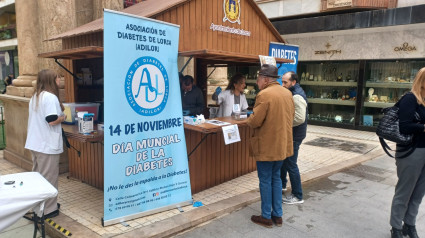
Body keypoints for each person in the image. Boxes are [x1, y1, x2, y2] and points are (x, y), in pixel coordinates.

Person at [246, 64, 294, 228]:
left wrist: (248, 118)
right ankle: (277, 215)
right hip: (281, 145)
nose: (257, 82)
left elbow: (255, 121)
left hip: (267, 146)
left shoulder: (264, 94)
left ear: (265, 80)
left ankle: (266, 216)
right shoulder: (287, 93)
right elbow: (291, 116)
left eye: (258, 79)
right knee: (276, 179)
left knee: (265, 180)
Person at [24, 69, 66, 218]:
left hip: (35, 144)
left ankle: (39, 207)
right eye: (57, 78)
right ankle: (48, 210)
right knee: (49, 178)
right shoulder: (50, 97)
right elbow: (52, 120)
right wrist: (63, 117)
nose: (59, 81)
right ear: (51, 80)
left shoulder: (36, 96)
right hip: (46, 145)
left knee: (39, 177)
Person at [390, 67, 425, 238]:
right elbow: (404, 126)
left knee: (419, 192)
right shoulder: (410, 99)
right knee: (404, 191)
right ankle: (396, 227)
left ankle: (409, 225)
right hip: (412, 151)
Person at [280, 71, 308, 205]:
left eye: (285, 82)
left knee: (291, 164)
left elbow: (299, 118)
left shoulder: (297, 96)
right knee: (285, 161)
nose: (283, 84)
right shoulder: (293, 92)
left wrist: (284, 125)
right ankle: (282, 185)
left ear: (293, 82)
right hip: (293, 134)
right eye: (282, 81)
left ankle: (297, 195)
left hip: (294, 135)